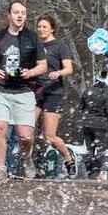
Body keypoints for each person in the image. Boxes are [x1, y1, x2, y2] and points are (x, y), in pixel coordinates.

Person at [0, 0, 46, 185]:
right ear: (9, 15)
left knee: (25, 135)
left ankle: (27, 159)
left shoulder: (32, 37)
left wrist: (30, 72)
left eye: (23, 13)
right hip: (0, 89)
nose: (20, 16)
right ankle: (1, 169)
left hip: (24, 90)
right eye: (16, 12)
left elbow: (43, 66)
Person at [31, 14, 76, 178]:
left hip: (53, 91)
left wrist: (58, 72)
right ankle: (32, 165)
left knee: (49, 136)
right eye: (39, 26)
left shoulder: (59, 45)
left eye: (44, 26)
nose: (41, 29)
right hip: (35, 91)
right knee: (27, 130)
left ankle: (68, 158)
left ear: (52, 29)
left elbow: (69, 69)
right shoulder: (34, 45)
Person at [79, 62, 108, 179]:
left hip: (86, 122)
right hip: (100, 123)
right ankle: (95, 171)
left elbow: (81, 106)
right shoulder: (106, 92)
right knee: (100, 149)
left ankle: (89, 170)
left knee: (89, 149)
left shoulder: (87, 90)